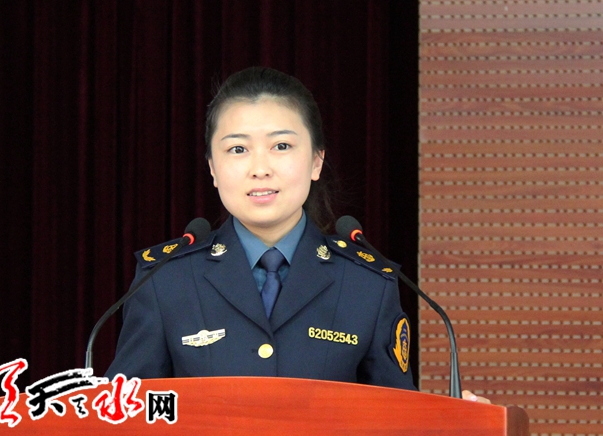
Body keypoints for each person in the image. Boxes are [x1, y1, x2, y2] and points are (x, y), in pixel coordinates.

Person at [105, 67, 488, 402]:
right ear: (213, 169)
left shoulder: (367, 285)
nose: (260, 168)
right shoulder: (164, 281)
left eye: (282, 146)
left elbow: (399, 420)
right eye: (237, 149)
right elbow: (121, 416)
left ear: (316, 161)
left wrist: (458, 425)